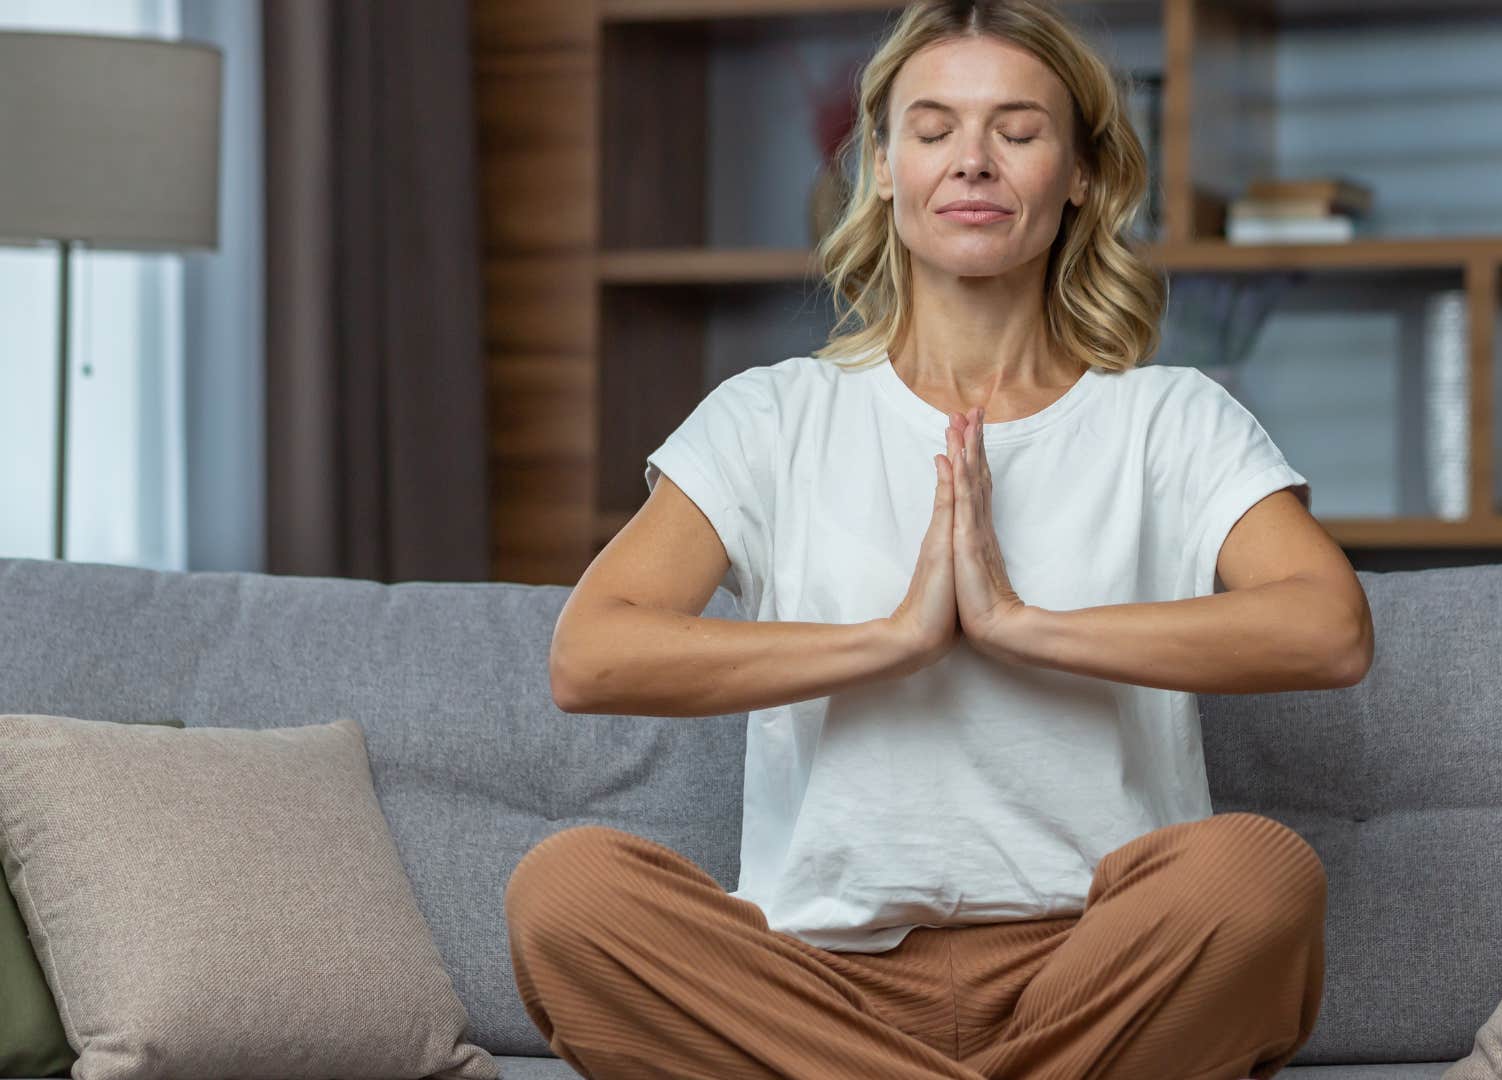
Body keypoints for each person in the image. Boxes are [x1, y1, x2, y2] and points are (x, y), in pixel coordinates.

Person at [508, 0, 1374, 1075]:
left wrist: (1019, 625)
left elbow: (1328, 630)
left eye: (1016, 132)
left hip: (1096, 968)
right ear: (881, 166)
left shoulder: (1170, 418)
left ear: (1084, 175)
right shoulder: (771, 416)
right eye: (932, 131)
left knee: (1255, 875)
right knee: (571, 893)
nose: (972, 161)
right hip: (814, 985)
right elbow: (590, 654)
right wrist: (898, 639)